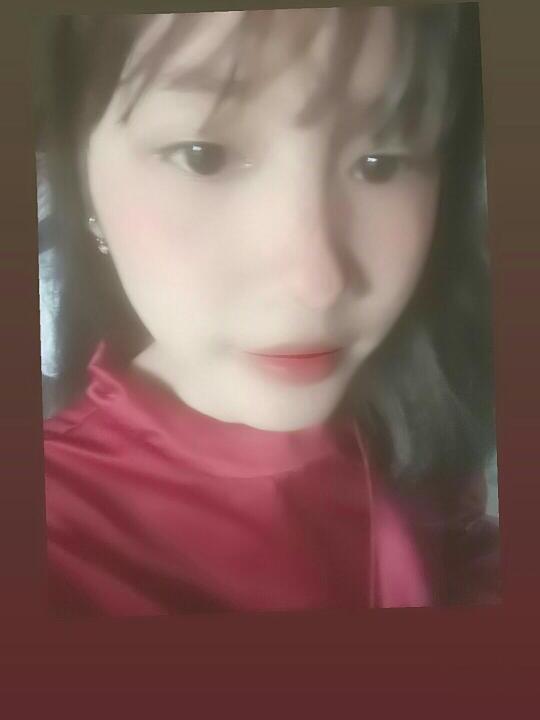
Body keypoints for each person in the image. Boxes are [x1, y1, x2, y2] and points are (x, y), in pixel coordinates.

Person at [35, 5, 500, 617]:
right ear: (81, 176)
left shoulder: (420, 403)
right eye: (202, 155)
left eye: (380, 163)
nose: (318, 284)